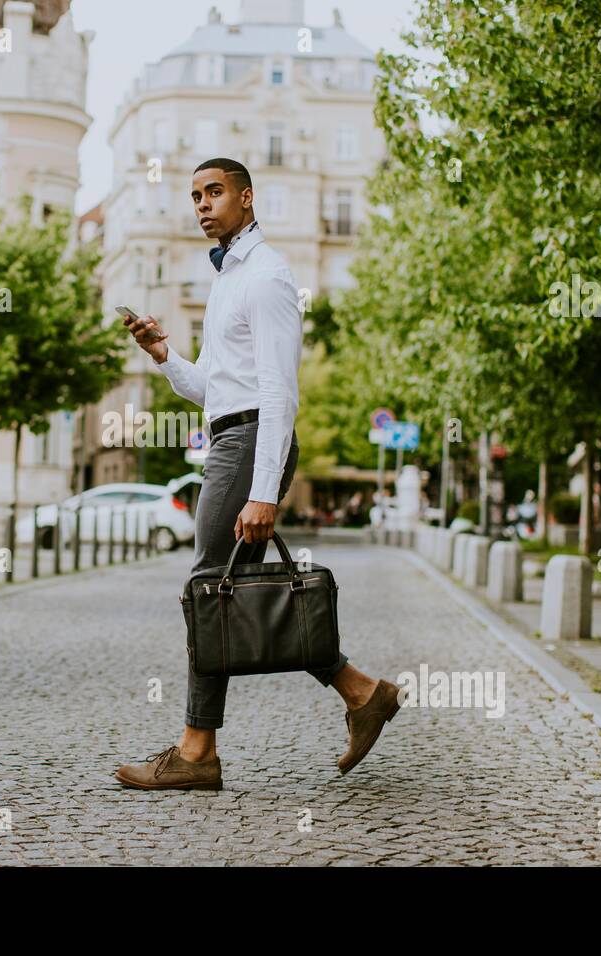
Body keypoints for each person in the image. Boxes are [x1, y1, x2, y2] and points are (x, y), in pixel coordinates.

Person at [115, 157, 402, 791]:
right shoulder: (227, 281)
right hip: (231, 434)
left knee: (206, 590)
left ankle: (196, 754)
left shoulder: (268, 276)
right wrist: (166, 356)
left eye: (214, 192)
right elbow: (214, 389)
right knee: (223, 592)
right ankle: (362, 692)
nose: (201, 204)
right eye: (194, 195)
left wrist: (263, 490)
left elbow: (277, 394)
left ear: (247, 198)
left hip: (248, 444)